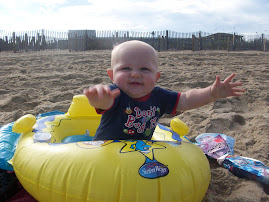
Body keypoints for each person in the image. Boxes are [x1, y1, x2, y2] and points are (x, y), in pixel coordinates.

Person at [83, 40, 245, 140]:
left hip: (138, 154)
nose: (135, 74)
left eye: (144, 69)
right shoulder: (115, 93)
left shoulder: (159, 96)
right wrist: (100, 99)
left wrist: (211, 93)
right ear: (111, 75)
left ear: (156, 77)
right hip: (105, 154)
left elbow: (186, 100)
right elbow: (105, 102)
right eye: (125, 68)